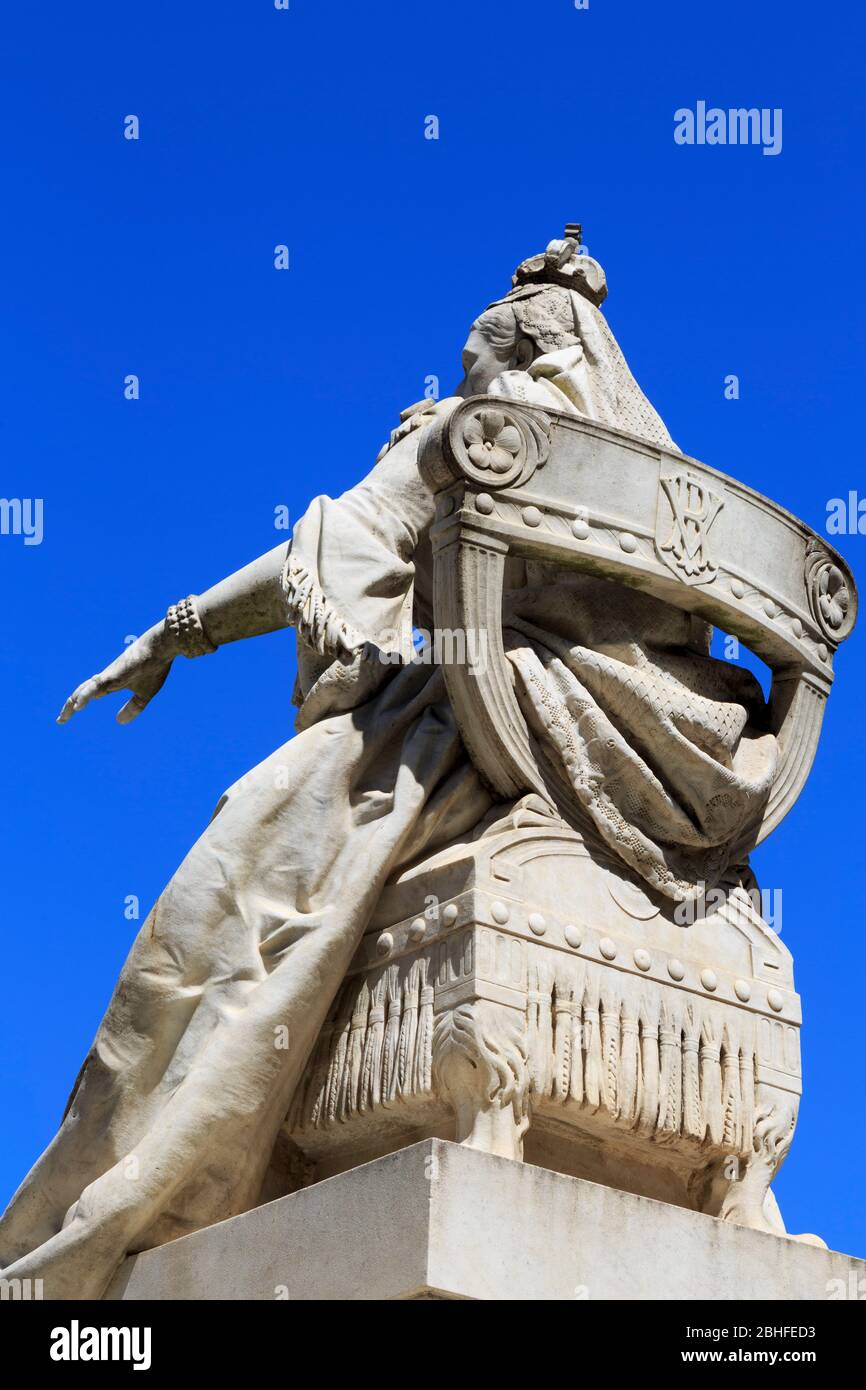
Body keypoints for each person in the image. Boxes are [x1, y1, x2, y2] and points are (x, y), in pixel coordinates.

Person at [0, 232, 775, 1298]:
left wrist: (178, 630)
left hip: (479, 721)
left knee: (240, 870)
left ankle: (100, 1211)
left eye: (467, 360)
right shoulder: (664, 487)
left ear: (504, 360)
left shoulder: (473, 436)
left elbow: (344, 540)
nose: (458, 377)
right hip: (671, 771)